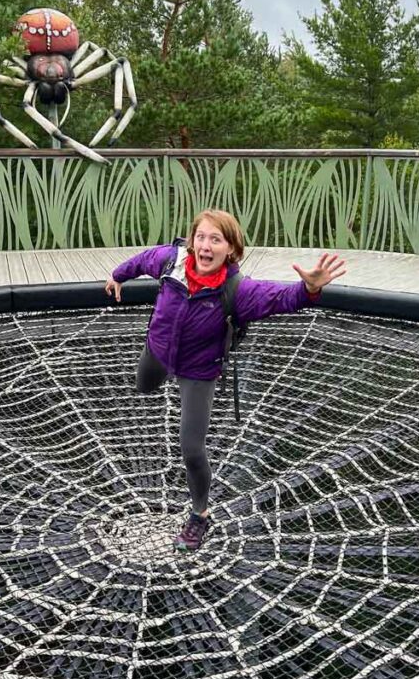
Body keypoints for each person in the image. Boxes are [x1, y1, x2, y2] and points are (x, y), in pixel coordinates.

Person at [105, 208, 347, 551]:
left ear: (230, 250)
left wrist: (308, 289)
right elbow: (141, 260)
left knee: (191, 448)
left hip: (198, 371)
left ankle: (200, 516)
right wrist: (117, 276)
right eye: (200, 237)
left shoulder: (237, 291)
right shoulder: (169, 261)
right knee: (143, 385)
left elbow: (280, 299)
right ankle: (153, 376)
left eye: (215, 240)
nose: (205, 245)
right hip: (158, 350)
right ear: (192, 242)